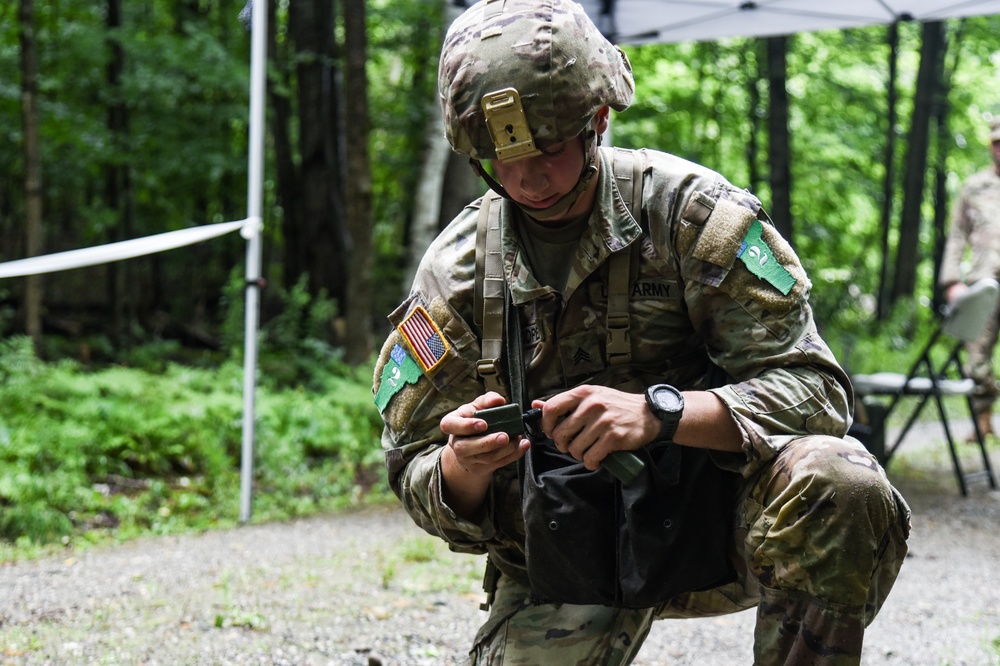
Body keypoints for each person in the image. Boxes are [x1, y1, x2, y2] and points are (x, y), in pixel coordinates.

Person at [372, 1, 910, 663]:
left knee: (841, 482)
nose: (525, 175)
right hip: (572, 547)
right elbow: (411, 463)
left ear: (597, 120)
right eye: (498, 155)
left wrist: (664, 414)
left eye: (546, 147)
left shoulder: (695, 218)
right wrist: (463, 469)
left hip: (719, 518)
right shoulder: (455, 276)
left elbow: (818, 395)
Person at [939, 117, 1000, 441]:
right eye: (997, 142)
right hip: (982, 282)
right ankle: (983, 418)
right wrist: (951, 281)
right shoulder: (974, 187)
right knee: (976, 357)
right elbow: (956, 237)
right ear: (991, 145)